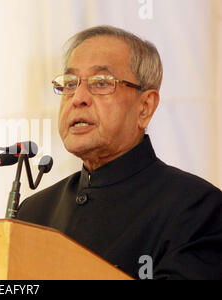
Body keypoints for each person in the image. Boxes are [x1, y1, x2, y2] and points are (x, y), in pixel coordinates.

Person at [16, 25, 222, 280]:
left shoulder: (197, 208)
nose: (78, 97)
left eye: (101, 83)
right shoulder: (34, 212)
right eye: (69, 83)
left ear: (145, 107)